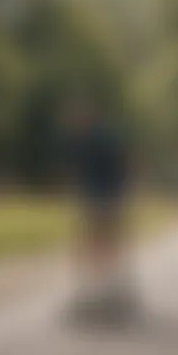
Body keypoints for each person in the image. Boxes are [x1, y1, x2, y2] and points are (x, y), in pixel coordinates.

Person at [62, 94, 136, 322]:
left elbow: (123, 166)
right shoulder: (83, 140)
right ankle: (100, 290)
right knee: (95, 244)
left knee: (101, 244)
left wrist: (117, 196)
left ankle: (106, 291)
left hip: (106, 198)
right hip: (94, 198)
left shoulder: (103, 138)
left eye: (77, 116)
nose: (73, 121)